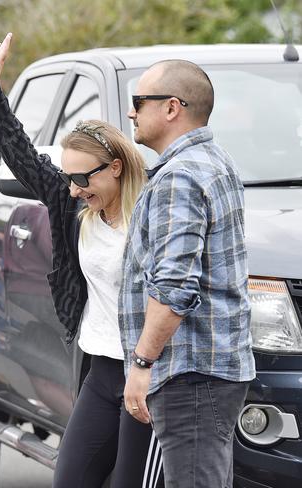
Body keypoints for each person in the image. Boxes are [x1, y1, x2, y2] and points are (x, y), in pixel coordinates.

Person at [0, 34, 163, 488]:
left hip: (149, 372)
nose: (74, 187)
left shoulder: (155, 211)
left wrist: (146, 368)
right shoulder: (73, 204)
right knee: (71, 478)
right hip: (100, 368)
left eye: (82, 177)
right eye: (68, 176)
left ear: (115, 168)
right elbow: (21, 156)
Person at [121, 59, 255, 487]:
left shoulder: (180, 175)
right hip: (206, 372)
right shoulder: (211, 160)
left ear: (172, 108)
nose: (131, 112)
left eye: (139, 102)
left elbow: (175, 286)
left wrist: (142, 364)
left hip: (190, 372)